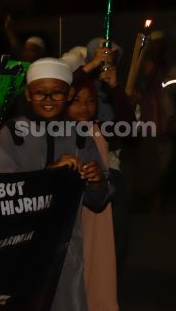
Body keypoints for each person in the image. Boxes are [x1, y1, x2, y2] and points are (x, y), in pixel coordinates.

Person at [0, 58, 114, 311]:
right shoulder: (12, 134)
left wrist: (95, 182)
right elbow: (5, 194)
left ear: (69, 94)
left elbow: (98, 201)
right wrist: (49, 173)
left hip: (66, 249)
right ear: (28, 94)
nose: (48, 99)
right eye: (40, 93)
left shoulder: (81, 137)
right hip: (24, 246)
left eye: (57, 92)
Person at [66, 79, 119, 310]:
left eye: (90, 102)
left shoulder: (95, 131)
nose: (84, 107)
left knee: (95, 256)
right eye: (77, 101)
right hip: (77, 207)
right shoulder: (62, 132)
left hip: (96, 203)